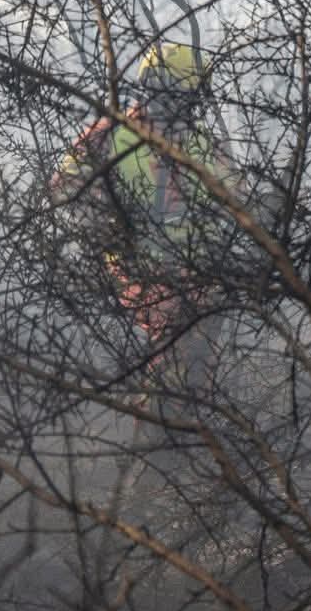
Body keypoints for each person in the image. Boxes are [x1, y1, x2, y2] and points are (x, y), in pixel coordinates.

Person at [52, 42, 232, 401]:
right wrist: (112, 227)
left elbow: (234, 203)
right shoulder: (110, 135)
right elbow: (65, 189)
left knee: (198, 367)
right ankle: (159, 431)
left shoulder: (202, 145)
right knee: (170, 362)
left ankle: (188, 429)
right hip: (141, 269)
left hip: (201, 272)